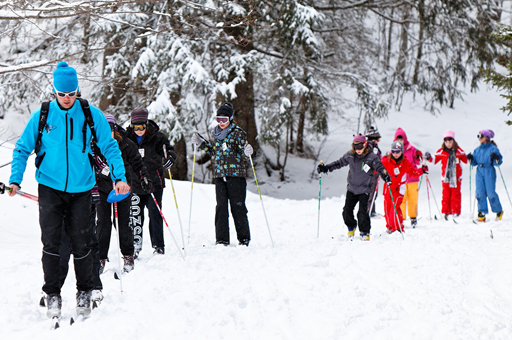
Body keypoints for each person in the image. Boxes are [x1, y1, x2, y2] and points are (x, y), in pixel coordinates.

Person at [8, 61, 129, 319]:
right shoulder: (42, 115)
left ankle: (85, 291)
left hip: (82, 189)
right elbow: (21, 149)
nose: (66, 98)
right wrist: (15, 179)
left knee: (82, 243)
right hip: (50, 187)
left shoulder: (90, 114)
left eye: (71, 94)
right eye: (61, 94)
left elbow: (110, 147)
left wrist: (120, 177)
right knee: (51, 244)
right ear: (54, 92)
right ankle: (52, 294)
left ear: (77, 91)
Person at [95, 113, 152, 273]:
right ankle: (100, 258)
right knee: (103, 223)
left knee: (123, 222)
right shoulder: (94, 145)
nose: (106, 134)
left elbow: (137, 163)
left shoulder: (126, 144)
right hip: (101, 188)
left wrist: (144, 177)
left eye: (109, 130)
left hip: (122, 188)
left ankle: (128, 255)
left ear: (115, 129)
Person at [191, 102, 253, 246]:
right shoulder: (217, 133)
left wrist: (247, 152)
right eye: (218, 119)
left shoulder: (238, 133)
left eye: (224, 120)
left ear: (230, 119)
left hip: (235, 175)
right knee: (221, 207)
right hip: (220, 175)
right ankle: (222, 239)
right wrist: (201, 143)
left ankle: (244, 238)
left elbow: (245, 156)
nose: (221, 123)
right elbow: (214, 152)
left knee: (238, 206)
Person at [317, 134, 389, 241]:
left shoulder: (371, 157)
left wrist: (385, 175)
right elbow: (339, 163)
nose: (358, 150)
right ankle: (352, 225)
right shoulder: (350, 155)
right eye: (355, 147)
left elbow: (379, 167)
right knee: (346, 211)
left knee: (362, 212)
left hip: (364, 189)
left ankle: (364, 232)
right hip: (352, 188)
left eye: (360, 147)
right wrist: (326, 168)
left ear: (365, 144)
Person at [125, 108, 177, 257]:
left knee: (155, 215)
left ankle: (158, 246)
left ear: (147, 124)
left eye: (142, 126)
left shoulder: (157, 137)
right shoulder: (127, 137)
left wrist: (170, 158)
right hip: (135, 183)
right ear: (132, 125)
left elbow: (170, 150)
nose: (139, 130)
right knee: (135, 216)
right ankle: (135, 245)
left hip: (154, 183)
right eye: (136, 127)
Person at [381, 141, 427, 233]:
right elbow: (377, 168)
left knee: (395, 209)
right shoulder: (387, 160)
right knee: (387, 209)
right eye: (393, 151)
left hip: (398, 189)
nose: (395, 154)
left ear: (401, 151)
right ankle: (390, 227)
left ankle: (398, 228)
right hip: (388, 188)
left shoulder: (405, 162)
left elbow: (412, 172)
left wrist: (422, 170)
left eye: (397, 152)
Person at [424, 130, 467, 220]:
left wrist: (470, 158)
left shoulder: (458, 151)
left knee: (455, 195)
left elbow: (465, 159)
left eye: (450, 142)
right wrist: (429, 158)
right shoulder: (442, 151)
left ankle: (455, 211)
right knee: (446, 195)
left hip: (456, 177)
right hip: (445, 178)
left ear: (453, 141)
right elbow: (434, 160)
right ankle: (446, 211)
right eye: (446, 142)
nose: (448, 144)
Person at [467, 129, 503, 222]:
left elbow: (498, 162)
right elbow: (474, 162)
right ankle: (482, 212)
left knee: (490, 192)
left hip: (489, 170)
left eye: (480, 136)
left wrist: (496, 158)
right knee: (480, 192)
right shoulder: (477, 150)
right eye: (478, 136)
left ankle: (498, 210)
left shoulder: (493, 148)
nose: (479, 138)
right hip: (479, 171)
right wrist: (471, 159)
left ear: (486, 138)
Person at [393, 127, 424, 227]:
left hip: (412, 179)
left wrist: (419, 156)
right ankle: (401, 218)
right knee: (401, 199)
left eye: (401, 139)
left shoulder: (412, 149)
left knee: (413, 199)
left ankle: (413, 217)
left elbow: (418, 162)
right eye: (398, 139)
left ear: (405, 139)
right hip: (400, 179)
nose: (400, 141)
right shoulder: (394, 150)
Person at [366, 126, 382, 217]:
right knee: (370, 193)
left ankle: (372, 210)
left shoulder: (374, 147)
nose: (378, 141)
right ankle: (368, 211)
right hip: (371, 175)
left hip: (375, 173)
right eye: (377, 139)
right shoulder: (369, 148)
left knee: (374, 193)